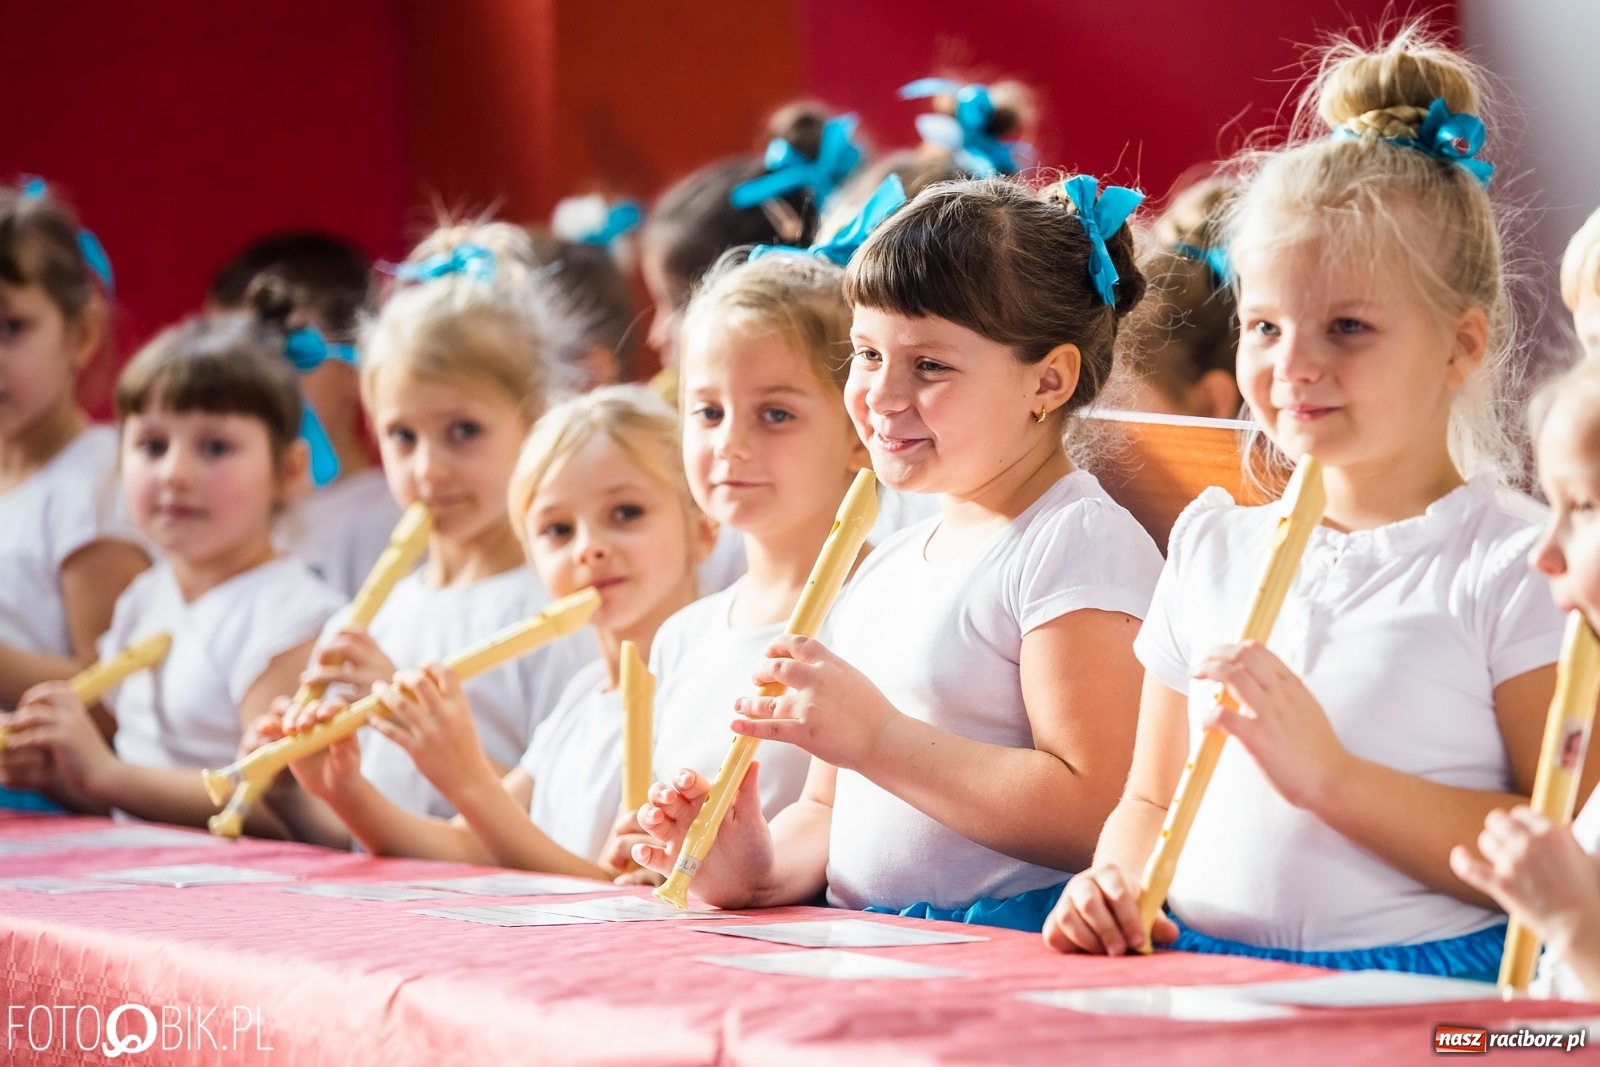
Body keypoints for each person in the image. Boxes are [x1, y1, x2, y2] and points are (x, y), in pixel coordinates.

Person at [1043, 28, 1568, 979]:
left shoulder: (1521, 561)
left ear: (1460, 346)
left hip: (1421, 988)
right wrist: (1113, 884)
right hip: (1204, 975)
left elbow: (1561, 841)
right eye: (1266, 325)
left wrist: (1331, 779)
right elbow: (1150, 802)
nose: (1294, 364)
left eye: (1349, 326)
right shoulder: (1210, 544)